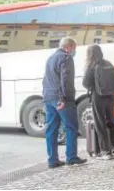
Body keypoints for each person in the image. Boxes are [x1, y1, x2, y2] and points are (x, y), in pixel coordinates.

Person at [42, 37, 87, 168]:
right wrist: (62, 98)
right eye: (74, 48)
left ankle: (52, 160)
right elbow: (65, 80)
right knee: (71, 127)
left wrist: (46, 97)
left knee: (51, 129)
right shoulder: (66, 58)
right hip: (62, 99)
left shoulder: (50, 58)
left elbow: (46, 80)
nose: (74, 51)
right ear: (69, 47)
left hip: (48, 98)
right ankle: (71, 157)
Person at [82, 44, 114, 160]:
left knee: (100, 123)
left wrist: (94, 87)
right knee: (111, 122)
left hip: (98, 96)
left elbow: (85, 83)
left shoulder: (91, 65)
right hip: (110, 96)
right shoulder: (108, 63)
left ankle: (106, 151)